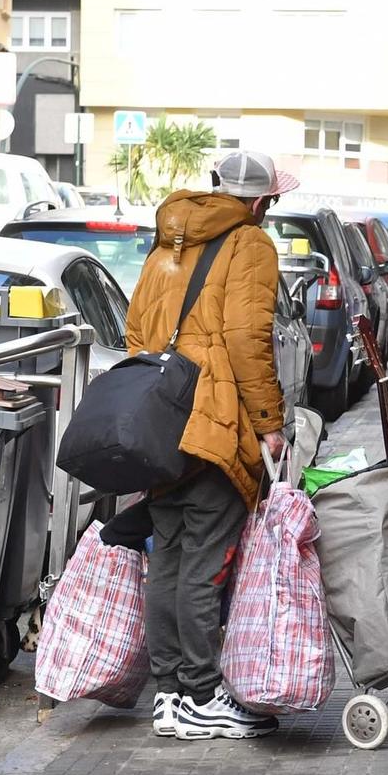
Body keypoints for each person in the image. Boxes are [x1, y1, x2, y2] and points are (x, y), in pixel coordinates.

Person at [125, 149, 295, 742]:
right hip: (216, 420)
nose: (269, 212)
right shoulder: (250, 244)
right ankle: (202, 694)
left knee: (167, 556)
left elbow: (136, 331)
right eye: (270, 202)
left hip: (161, 421)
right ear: (257, 201)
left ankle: (169, 694)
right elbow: (249, 340)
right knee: (204, 560)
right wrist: (269, 421)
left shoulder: (168, 239)